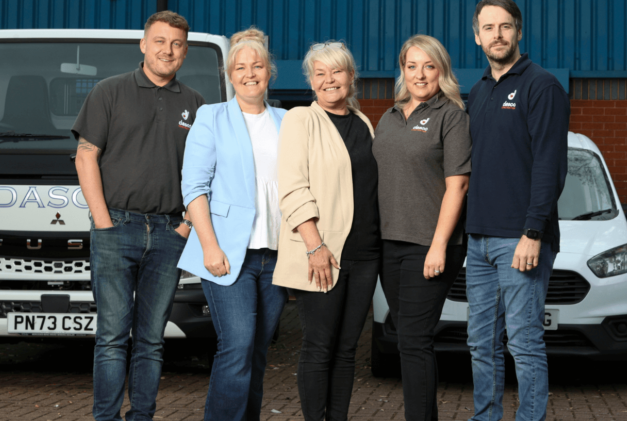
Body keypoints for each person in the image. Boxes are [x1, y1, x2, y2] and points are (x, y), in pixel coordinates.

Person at [73, 10, 205, 421]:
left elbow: (206, 171)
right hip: (117, 228)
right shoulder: (108, 92)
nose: (168, 50)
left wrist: (185, 225)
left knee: (151, 340)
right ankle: (106, 418)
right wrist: (103, 222)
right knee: (112, 337)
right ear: (144, 44)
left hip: (169, 233)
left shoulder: (197, 105)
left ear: (185, 53)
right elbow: (86, 156)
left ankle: (142, 415)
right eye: (161, 41)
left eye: (177, 44)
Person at [465, 0, 570, 421]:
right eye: (488, 28)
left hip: (520, 239)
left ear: (519, 32)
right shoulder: (478, 92)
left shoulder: (540, 86)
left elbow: (550, 164)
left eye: (505, 26)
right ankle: (486, 416)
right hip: (479, 241)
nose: (497, 34)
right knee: (480, 343)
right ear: (477, 37)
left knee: (524, 342)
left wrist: (533, 231)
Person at [178, 28, 288, 421]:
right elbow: (193, 187)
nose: (249, 73)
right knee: (237, 344)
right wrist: (209, 246)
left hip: (275, 257)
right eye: (240, 67)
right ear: (229, 74)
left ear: (269, 71)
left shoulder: (287, 120)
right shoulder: (212, 116)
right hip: (226, 253)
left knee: (257, 350)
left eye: (257, 65)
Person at [273, 42, 380, 421]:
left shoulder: (363, 123)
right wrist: (314, 246)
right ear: (311, 82)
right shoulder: (300, 120)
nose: (329, 80)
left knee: (347, 348)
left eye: (336, 71)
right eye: (320, 73)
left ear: (351, 77)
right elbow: (292, 186)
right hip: (322, 253)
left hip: (365, 255)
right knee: (319, 346)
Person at [373, 34, 471, 421]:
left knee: (413, 340)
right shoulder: (389, 116)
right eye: (412, 66)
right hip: (388, 245)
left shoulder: (452, 116)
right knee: (407, 339)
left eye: (429, 66)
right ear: (402, 70)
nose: (420, 74)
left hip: (428, 246)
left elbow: (458, 185)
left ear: (442, 70)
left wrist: (439, 246)